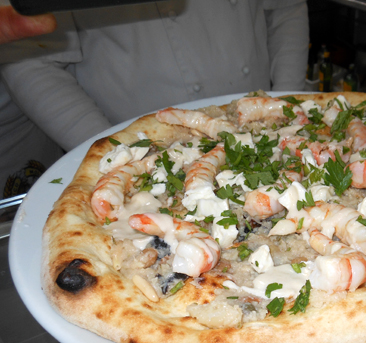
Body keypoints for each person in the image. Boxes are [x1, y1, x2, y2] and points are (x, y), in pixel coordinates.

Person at [0, 0, 308, 197]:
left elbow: (286, 8)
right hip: (144, 154)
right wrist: (115, 156)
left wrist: (288, 108)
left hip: (267, 127)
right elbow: (31, 61)